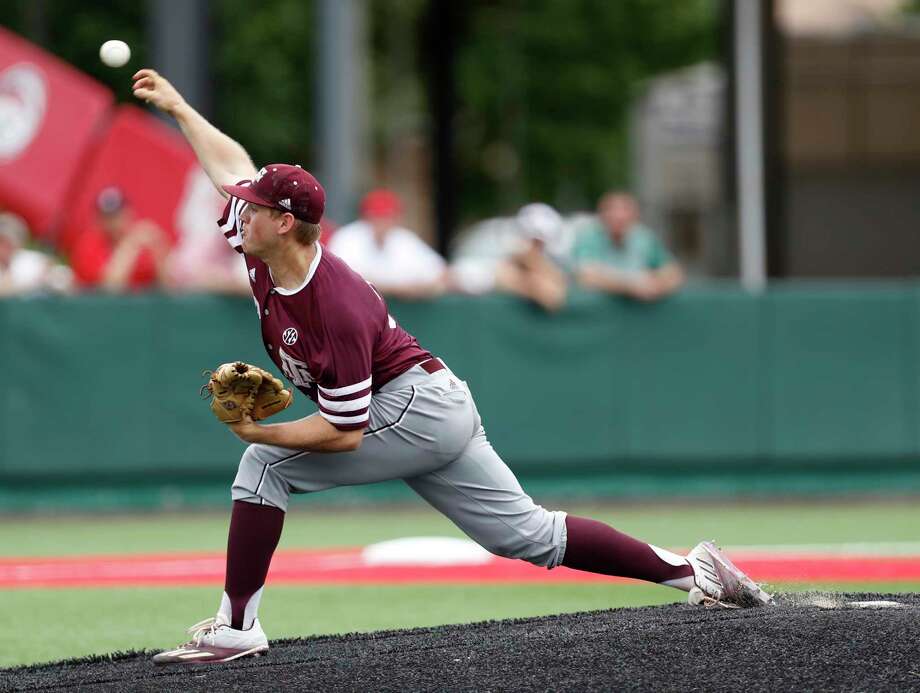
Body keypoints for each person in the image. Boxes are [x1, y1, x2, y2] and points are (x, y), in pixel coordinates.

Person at [132, 68, 771, 665]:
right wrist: (183, 109)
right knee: (529, 535)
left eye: (254, 205)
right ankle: (695, 570)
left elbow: (345, 432)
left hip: (412, 410)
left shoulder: (337, 305)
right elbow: (233, 168)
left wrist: (259, 434)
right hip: (433, 401)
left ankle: (237, 627)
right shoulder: (260, 250)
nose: (238, 208)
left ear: (286, 222)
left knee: (262, 466)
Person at [328, 188, 447, 300]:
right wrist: (397, 288)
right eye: (377, 216)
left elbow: (441, 274)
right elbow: (341, 279)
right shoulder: (347, 237)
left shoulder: (403, 239)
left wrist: (421, 288)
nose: (382, 222)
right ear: (365, 217)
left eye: (387, 217)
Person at [573, 192, 683, 301]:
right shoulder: (589, 237)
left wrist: (657, 285)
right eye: (612, 210)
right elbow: (586, 276)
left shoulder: (643, 237)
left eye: (625, 210)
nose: (618, 215)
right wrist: (631, 286)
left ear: (635, 215)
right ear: (601, 214)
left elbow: (673, 272)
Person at [70, 187, 171, 292]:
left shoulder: (146, 242)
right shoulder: (88, 246)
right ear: (98, 219)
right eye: (107, 217)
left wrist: (159, 249)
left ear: (130, 212)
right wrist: (131, 243)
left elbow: (169, 287)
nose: (114, 222)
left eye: (118, 215)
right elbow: (110, 287)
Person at [0, 212, 73, 296]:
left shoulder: (31, 261)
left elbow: (64, 279)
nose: (3, 248)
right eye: (1, 242)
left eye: (7, 243)